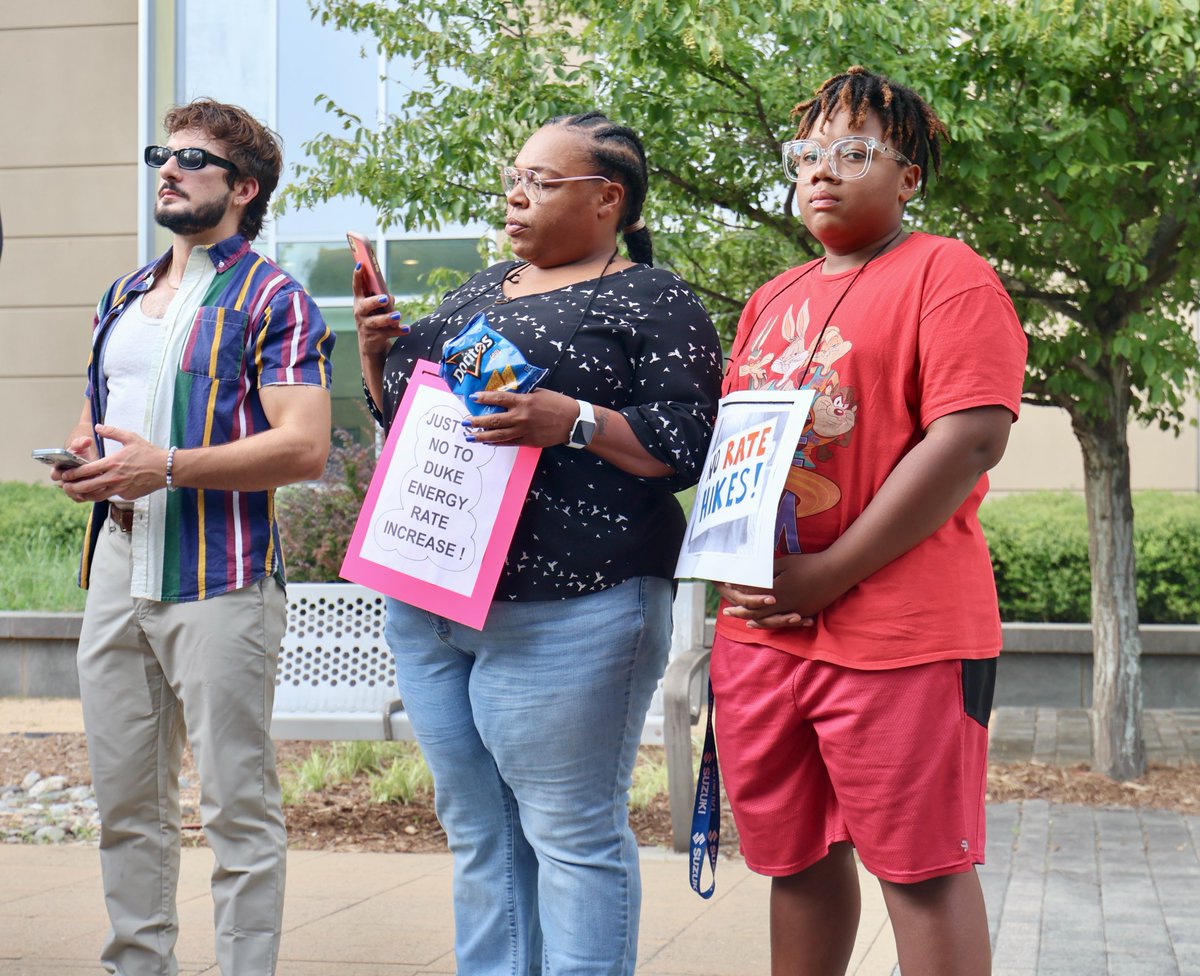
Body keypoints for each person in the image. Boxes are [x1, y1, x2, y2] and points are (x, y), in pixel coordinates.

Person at [352, 111, 722, 974]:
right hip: (434, 599)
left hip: (574, 609)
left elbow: (693, 441)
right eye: (514, 177)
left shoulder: (653, 298)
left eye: (541, 181)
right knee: (479, 831)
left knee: (569, 834)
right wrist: (376, 356)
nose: (516, 195)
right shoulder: (484, 287)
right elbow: (414, 417)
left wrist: (577, 420)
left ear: (606, 199)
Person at [712, 67, 1027, 976]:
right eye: (807, 154)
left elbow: (970, 440)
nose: (822, 170)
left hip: (900, 636)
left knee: (922, 873)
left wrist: (826, 574)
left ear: (908, 177)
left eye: (854, 151)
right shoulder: (771, 298)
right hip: (765, 636)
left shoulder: (948, 274)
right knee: (797, 862)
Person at [50, 98, 334, 976]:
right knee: (126, 805)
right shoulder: (123, 294)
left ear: (244, 189)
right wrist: (85, 457)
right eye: (161, 155)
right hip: (117, 565)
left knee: (236, 809)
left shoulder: (274, 298)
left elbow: (305, 446)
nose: (168, 169)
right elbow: (102, 419)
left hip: (222, 574)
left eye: (193, 159)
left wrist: (166, 467)